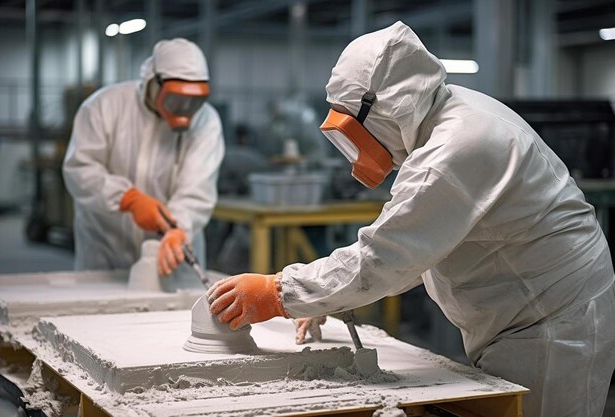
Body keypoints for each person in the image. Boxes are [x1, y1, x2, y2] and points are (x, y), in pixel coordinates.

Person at [206, 22, 615, 417]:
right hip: (526, 307)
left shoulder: (455, 148)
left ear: (386, 106)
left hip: (554, 322)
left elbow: (387, 256)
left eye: (354, 132)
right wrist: (326, 293)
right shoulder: (447, 117)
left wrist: (280, 292)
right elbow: (418, 243)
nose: (354, 150)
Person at [63, 38, 225, 277]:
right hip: (105, 253)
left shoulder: (206, 121)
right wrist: (127, 198)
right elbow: (80, 169)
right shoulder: (103, 106)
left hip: (170, 261)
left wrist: (178, 227)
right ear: (152, 81)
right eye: (176, 99)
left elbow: (197, 190)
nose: (185, 109)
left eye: (195, 101)